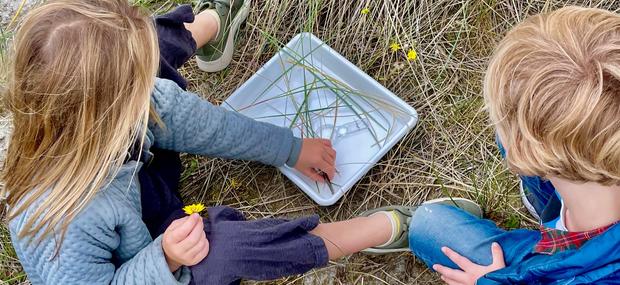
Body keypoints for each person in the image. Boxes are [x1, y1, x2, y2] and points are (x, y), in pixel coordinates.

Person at [2, 0, 483, 284]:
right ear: (103, 114)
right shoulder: (56, 229)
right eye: (138, 89)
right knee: (225, 251)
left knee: (153, 45)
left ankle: (210, 25)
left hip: (131, 169)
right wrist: (164, 258)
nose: (151, 91)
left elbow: (201, 124)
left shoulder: (110, 106)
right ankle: (383, 229)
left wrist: (290, 148)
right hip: (149, 253)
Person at [389, 6, 620, 285]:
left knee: (427, 225)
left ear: (527, 153)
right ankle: (547, 206)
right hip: (588, 225)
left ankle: (546, 207)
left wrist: (490, 282)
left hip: (562, 268)